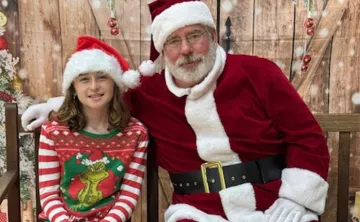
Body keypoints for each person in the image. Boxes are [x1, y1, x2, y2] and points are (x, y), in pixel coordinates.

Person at [22, 0, 330, 221]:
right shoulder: (148, 93)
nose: (185, 49)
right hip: (196, 211)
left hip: (273, 202)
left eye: (194, 36)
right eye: (173, 40)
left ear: (211, 36)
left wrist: (296, 198)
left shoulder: (258, 73)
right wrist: (59, 105)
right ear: (161, 50)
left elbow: (307, 137)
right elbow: (100, 99)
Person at [37, 36, 148, 222]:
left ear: (114, 82)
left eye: (102, 77)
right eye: (84, 79)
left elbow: (129, 194)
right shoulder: (53, 132)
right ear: (74, 86)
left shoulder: (136, 134)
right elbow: (49, 195)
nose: (94, 87)